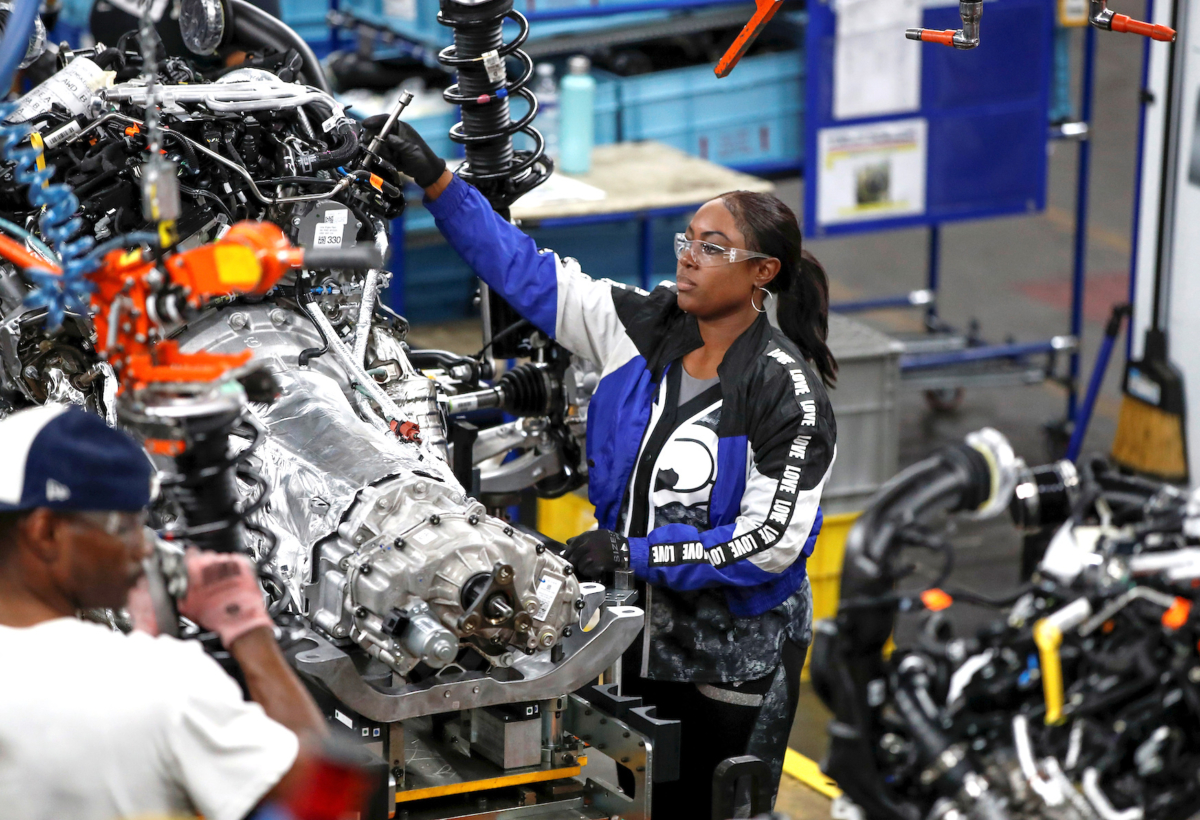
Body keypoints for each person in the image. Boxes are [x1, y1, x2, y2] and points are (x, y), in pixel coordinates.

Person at [367, 120, 838, 817]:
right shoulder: (639, 325)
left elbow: (768, 544)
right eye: (688, 243)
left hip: (728, 664)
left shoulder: (783, 392)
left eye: (713, 249)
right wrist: (438, 180)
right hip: (630, 638)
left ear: (761, 273)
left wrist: (634, 552)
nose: (688, 260)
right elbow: (523, 270)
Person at [0, 404, 328, 820]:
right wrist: (248, 631)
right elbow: (321, 794)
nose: (142, 546)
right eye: (125, 526)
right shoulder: (159, 683)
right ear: (46, 532)